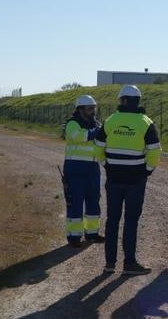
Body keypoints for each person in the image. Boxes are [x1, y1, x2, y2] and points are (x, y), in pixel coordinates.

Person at [94, 84, 161, 275]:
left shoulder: (110, 120)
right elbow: (155, 151)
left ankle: (109, 263)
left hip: (114, 179)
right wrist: (146, 171)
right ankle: (129, 263)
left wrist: (106, 164)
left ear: (122, 100)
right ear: (137, 101)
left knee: (112, 220)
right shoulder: (146, 122)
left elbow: (98, 146)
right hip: (135, 180)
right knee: (131, 221)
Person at [63, 94, 103, 247]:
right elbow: (79, 136)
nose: (93, 111)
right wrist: (97, 131)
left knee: (94, 201)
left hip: (93, 169)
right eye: (89, 108)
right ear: (80, 109)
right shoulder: (72, 124)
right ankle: (74, 236)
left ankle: (92, 233)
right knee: (75, 203)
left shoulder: (96, 124)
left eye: (94, 108)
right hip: (75, 169)